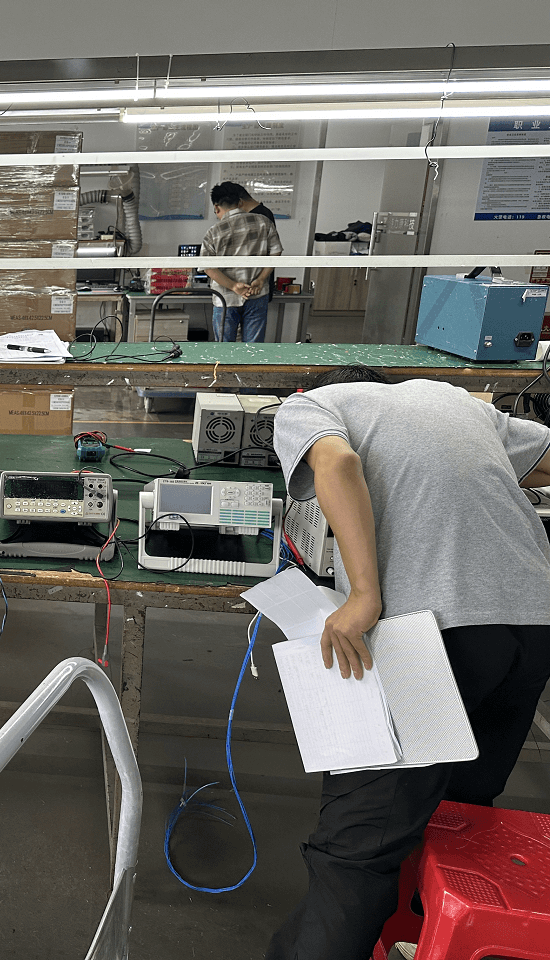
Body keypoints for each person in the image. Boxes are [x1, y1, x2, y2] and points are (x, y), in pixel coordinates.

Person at [266, 364, 550, 960]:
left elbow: (337, 464)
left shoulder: (310, 406)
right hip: (532, 623)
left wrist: (364, 595)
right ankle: (428, 936)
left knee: (358, 847)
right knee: (457, 813)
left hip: (434, 637)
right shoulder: (452, 401)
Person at [201, 182, 282, 343]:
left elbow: (208, 268)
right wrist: (260, 279)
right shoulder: (264, 222)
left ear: (216, 207)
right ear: (239, 202)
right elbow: (276, 252)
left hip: (225, 298)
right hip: (257, 293)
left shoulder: (214, 232)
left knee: (224, 348)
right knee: (253, 348)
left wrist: (233, 286)